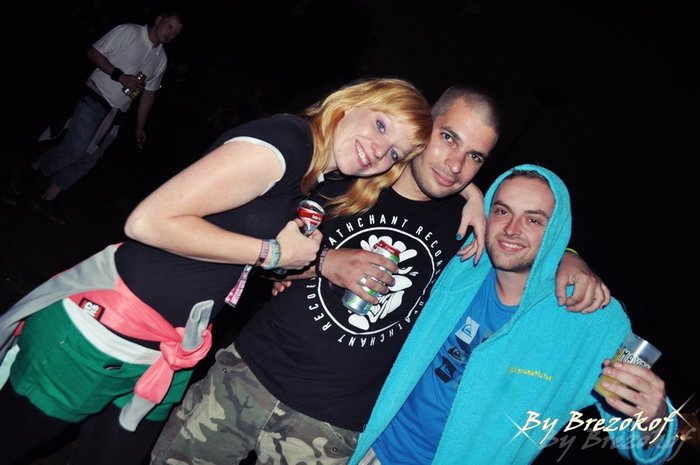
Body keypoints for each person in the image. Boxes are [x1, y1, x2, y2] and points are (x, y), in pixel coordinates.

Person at [150, 86, 611, 465]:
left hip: (330, 427)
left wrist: (569, 258)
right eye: (448, 137)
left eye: (474, 156)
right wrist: (326, 263)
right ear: (424, 127)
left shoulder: (468, 227)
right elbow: (264, 250)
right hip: (247, 374)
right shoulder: (352, 172)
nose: (455, 165)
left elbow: (526, 240)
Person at [0, 77, 434, 465]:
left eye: (395, 151)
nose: (380, 150)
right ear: (352, 102)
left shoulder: (323, 177)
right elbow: (147, 222)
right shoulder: (287, 143)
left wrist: (469, 193)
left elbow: (423, 180)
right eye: (381, 125)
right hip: (103, 332)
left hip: (171, 351)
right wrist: (271, 254)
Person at [350, 165, 678, 465]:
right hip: (374, 450)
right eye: (502, 211)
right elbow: (412, 168)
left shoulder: (595, 319)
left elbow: (636, 440)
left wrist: (655, 421)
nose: (511, 229)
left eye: (533, 220)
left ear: (555, 230)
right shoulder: (462, 263)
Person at [8, 8, 185, 224]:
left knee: (88, 159)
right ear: (158, 20)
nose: (171, 33)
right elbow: (93, 53)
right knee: (75, 150)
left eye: (176, 32)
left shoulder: (161, 59)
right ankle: (34, 167)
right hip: (95, 98)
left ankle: (48, 197)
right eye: (169, 26)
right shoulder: (129, 32)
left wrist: (140, 125)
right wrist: (119, 76)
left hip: (116, 114)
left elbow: (149, 93)